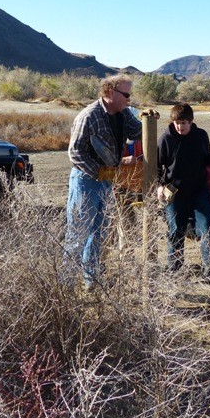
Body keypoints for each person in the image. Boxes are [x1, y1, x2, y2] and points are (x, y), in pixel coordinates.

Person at [64, 74, 142, 289]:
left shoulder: (123, 114)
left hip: (107, 180)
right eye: (125, 94)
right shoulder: (89, 116)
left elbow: (138, 131)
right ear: (110, 92)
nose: (128, 99)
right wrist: (99, 171)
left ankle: (92, 280)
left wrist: (147, 118)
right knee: (78, 233)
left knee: (100, 233)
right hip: (86, 180)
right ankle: (66, 286)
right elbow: (75, 153)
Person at [157, 103, 210, 284]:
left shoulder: (201, 135)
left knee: (207, 230)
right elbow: (157, 165)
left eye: (184, 123)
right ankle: (175, 270)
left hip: (199, 191)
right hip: (175, 193)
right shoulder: (165, 139)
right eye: (177, 123)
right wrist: (159, 186)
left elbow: (206, 159)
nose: (180, 127)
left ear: (191, 121)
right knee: (175, 232)